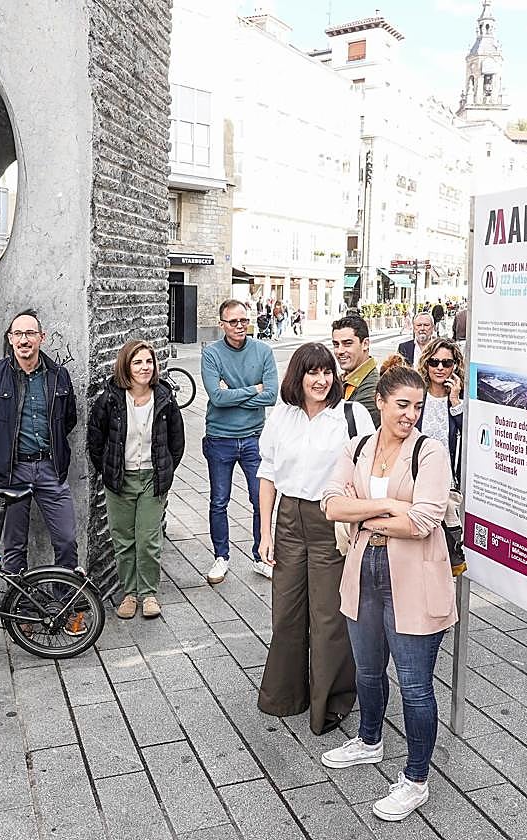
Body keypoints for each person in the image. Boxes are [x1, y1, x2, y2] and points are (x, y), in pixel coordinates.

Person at [319, 365, 457, 823]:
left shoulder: (430, 451)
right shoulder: (357, 446)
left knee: (416, 688)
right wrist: (385, 505)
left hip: (415, 578)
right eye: (402, 405)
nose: (411, 415)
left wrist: (362, 518)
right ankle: (370, 740)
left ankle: (416, 779)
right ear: (379, 401)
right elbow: (330, 504)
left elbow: (422, 522)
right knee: (367, 669)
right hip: (363, 570)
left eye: (418, 407)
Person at [256, 342, 375, 735]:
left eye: (327, 372)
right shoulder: (282, 416)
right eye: (313, 372)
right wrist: (264, 531)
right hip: (290, 519)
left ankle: (332, 699)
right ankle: (285, 693)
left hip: (331, 521)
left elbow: (369, 470)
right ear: (298, 376)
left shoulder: (351, 415)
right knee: (286, 611)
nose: (322, 380)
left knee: (328, 616)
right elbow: (269, 473)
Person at [0, 309, 84, 633]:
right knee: (14, 545)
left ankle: (65, 605)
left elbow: (69, 418)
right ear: (10, 339)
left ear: (41, 338)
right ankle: (22, 611)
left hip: (48, 469)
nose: (24, 340)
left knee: (66, 539)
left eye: (30, 333)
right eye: (17, 334)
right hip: (12, 472)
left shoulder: (58, 376)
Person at [87, 339, 185, 619]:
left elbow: (176, 443)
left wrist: (164, 469)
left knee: (148, 539)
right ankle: (129, 593)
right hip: (120, 479)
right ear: (126, 366)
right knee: (123, 539)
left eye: (149, 361)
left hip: (151, 479)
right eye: (138, 362)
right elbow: (96, 440)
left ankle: (149, 593)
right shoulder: (110, 399)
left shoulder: (164, 399)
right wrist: (109, 470)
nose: (144, 367)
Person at [201, 299, 278, 584]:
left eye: (244, 320)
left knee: (261, 500)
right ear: (222, 324)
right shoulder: (211, 354)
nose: (240, 326)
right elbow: (216, 398)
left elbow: (271, 396)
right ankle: (221, 557)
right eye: (233, 321)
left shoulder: (264, 351)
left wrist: (234, 392)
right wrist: (253, 389)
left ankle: (261, 555)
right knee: (219, 501)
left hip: (255, 438)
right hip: (220, 438)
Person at [415, 338, 464, 471]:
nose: (440, 368)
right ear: (426, 364)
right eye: (434, 362)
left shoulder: (461, 401)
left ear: (454, 366)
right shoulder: (417, 398)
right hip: (418, 475)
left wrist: (455, 401)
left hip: (448, 479)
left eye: (447, 363)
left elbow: (469, 436)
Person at [332, 315, 380, 427]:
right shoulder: (345, 379)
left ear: (365, 344)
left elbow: (346, 428)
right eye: (336, 344)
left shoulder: (373, 387)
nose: (340, 351)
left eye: (347, 344)